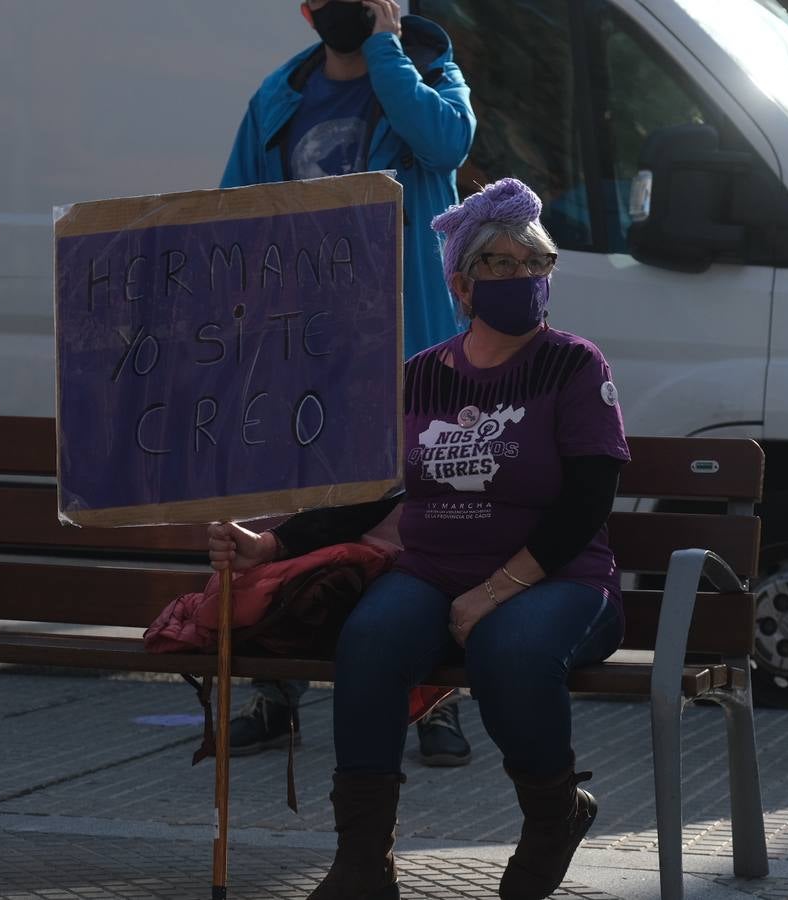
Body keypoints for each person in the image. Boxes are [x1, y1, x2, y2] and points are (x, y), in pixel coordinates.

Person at [209, 178, 629, 900]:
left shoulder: (574, 365)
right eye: (498, 262)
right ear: (462, 286)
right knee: (369, 642)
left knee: (511, 647)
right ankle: (363, 863)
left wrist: (497, 591)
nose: (519, 275)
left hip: (556, 580)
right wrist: (271, 547)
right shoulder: (422, 376)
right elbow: (369, 493)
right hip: (432, 572)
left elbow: (590, 499)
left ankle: (554, 815)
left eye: (534, 262)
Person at [219, 0, 477, 763]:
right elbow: (235, 219)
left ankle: (436, 698)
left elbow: (443, 141)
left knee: (424, 526)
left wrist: (388, 48)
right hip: (310, 354)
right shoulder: (277, 100)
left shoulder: (431, 73)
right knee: (294, 517)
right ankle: (277, 692)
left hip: (416, 350)